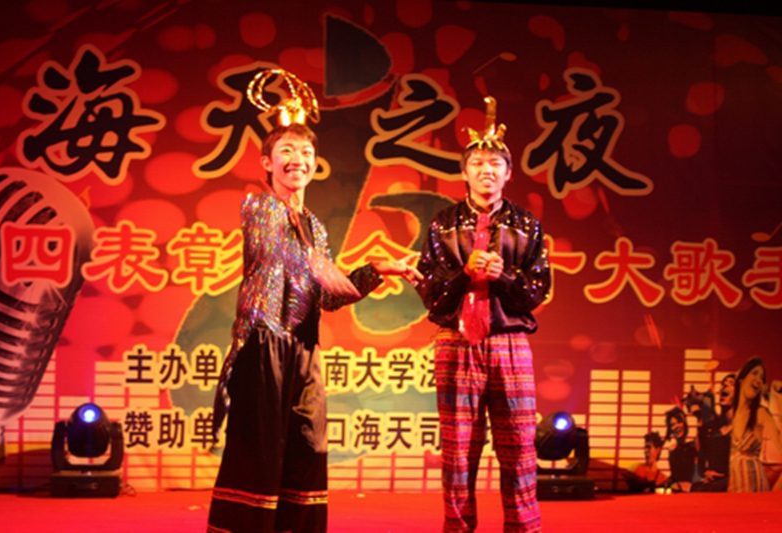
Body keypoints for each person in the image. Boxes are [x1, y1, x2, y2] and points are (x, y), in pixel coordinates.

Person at [206, 69, 421, 533]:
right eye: (286, 151)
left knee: (308, 448)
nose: (297, 160)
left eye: (305, 153)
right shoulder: (258, 207)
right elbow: (289, 258)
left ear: (315, 163)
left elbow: (325, 296)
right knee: (259, 455)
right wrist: (334, 272)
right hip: (263, 344)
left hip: (303, 348)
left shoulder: (315, 227)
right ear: (267, 162)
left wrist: (376, 269)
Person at [415, 96, 549, 532]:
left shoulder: (527, 225)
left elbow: (538, 290)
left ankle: (523, 528)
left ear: (508, 173)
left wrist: (503, 276)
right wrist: (463, 275)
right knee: (457, 453)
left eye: (495, 164)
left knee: (520, 449)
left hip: (510, 343)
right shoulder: (442, 224)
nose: (486, 170)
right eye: (477, 163)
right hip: (456, 343)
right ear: (465, 172)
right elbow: (430, 293)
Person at [728, 356, 782, 492]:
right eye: (754, 373)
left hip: (754, 486)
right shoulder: (730, 414)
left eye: (762, 378)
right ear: (741, 378)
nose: (758, 380)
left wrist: (778, 399)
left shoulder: (760, 414)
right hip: (734, 487)